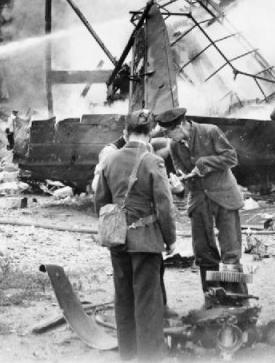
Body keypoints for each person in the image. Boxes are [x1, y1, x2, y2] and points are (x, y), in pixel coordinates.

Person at [95, 109, 177, 361]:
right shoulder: (153, 161)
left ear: (125, 133)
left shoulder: (110, 159)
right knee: (148, 301)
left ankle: (128, 353)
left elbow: (101, 202)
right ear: (151, 133)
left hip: (117, 238)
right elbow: (164, 206)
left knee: (123, 296)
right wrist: (170, 238)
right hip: (146, 240)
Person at [155, 107, 248, 304]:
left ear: (180, 126)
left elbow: (232, 157)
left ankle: (239, 300)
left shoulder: (210, 131)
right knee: (204, 253)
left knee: (230, 253)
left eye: (168, 132)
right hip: (198, 198)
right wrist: (181, 184)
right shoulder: (174, 144)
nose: (166, 136)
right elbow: (182, 170)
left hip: (224, 195)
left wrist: (204, 163)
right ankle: (213, 299)